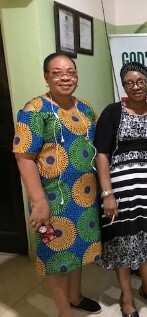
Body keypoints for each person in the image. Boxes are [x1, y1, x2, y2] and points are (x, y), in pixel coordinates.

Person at [12, 52, 102, 317]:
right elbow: (24, 157)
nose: (65, 77)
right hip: (53, 199)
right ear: (46, 77)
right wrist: (39, 202)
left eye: (71, 72)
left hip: (84, 196)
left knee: (77, 248)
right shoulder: (35, 110)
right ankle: (64, 311)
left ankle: (75, 296)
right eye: (57, 72)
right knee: (56, 256)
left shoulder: (85, 108)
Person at [94, 62, 147, 317]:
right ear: (123, 86)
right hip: (121, 193)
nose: (136, 86)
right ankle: (127, 296)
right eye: (129, 82)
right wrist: (107, 193)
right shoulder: (112, 113)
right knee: (122, 242)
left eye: (140, 81)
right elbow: (102, 154)